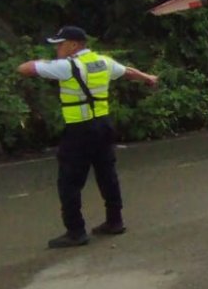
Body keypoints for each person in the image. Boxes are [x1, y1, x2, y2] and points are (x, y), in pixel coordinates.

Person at [16, 26, 159, 248]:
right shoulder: (102, 62)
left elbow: (24, 69)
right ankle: (115, 221)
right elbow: (127, 71)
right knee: (107, 174)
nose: (57, 49)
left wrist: (48, 63)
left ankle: (75, 231)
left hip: (79, 130)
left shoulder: (66, 66)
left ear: (73, 44)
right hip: (103, 126)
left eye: (60, 44)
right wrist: (148, 77)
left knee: (69, 182)